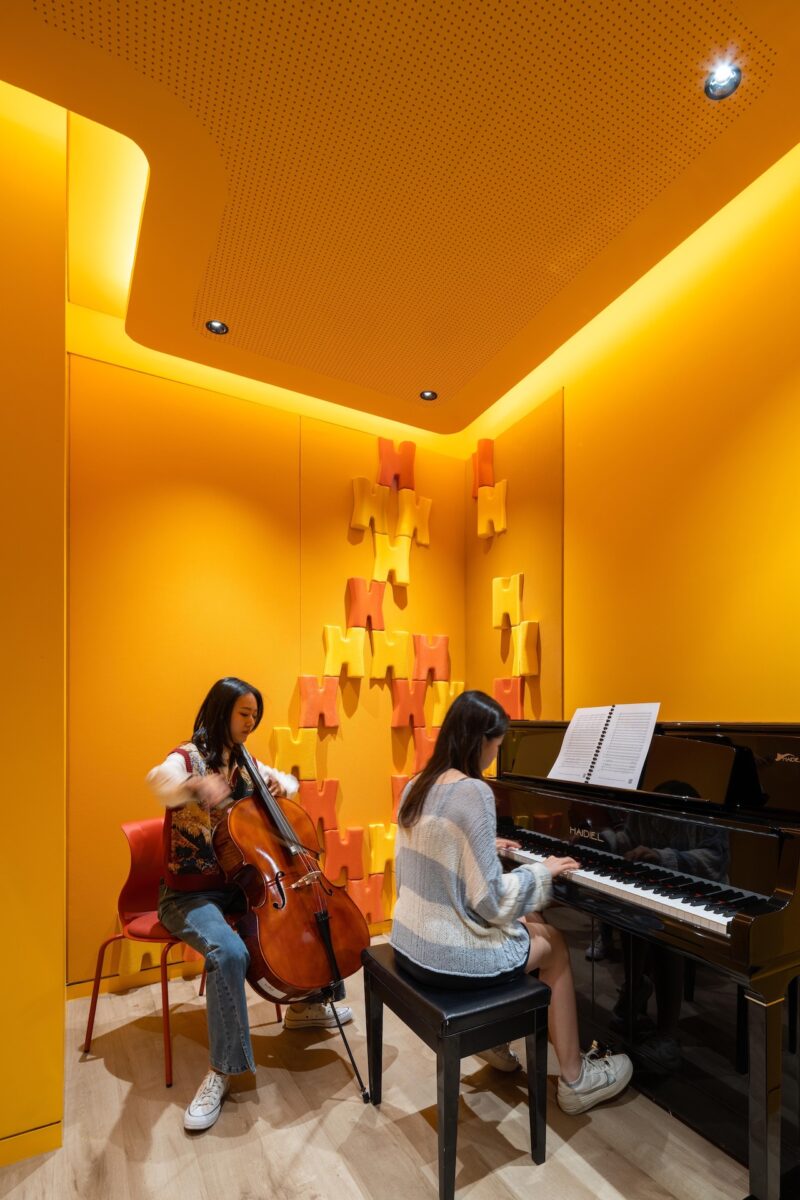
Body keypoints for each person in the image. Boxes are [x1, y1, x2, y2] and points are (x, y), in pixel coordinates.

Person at [390, 690, 632, 1115]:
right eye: (496, 745)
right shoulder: (474, 792)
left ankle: (496, 1037)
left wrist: (480, 847)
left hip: (411, 943)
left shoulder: (417, 784)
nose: (494, 755)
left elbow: (429, 860)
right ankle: (576, 1079)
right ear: (479, 739)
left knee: (530, 917)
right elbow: (492, 902)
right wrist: (544, 871)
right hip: (448, 958)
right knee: (554, 942)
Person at [147, 676, 353, 1132]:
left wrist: (283, 786)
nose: (251, 722)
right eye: (244, 714)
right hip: (189, 893)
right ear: (221, 710)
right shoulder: (187, 758)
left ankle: (304, 1006)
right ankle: (222, 1070)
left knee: (305, 916)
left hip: (238, 887)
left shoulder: (244, 761)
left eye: (255, 716)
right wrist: (195, 787)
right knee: (230, 952)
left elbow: (290, 782)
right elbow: (159, 782)